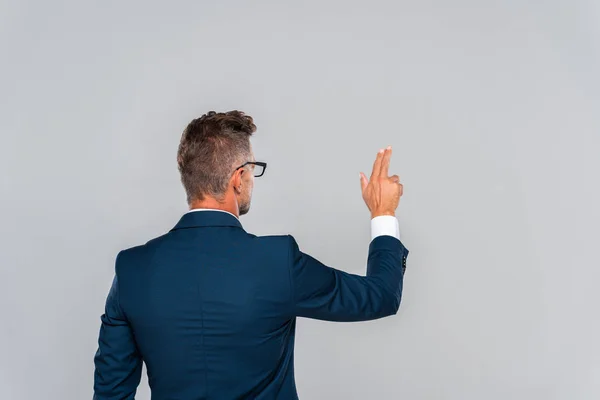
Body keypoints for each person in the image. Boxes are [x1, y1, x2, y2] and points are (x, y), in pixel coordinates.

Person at [93, 110, 409, 400]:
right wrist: (383, 212)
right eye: (252, 170)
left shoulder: (132, 270)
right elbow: (381, 296)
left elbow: (110, 395)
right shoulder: (277, 261)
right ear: (238, 177)